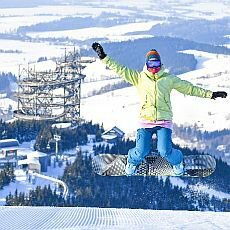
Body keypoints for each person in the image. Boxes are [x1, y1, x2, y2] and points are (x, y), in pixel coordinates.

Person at [92, 42, 227, 176]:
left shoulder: (169, 79)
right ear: (147, 64)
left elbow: (189, 88)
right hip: (145, 121)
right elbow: (120, 69)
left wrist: (211, 94)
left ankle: (178, 163)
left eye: (156, 65)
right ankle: (131, 163)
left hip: (164, 122)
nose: (154, 68)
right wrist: (104, 57)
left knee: (164, 151)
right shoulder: (139, 78)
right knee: (141, 151)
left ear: (161, 64)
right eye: (151, 65)